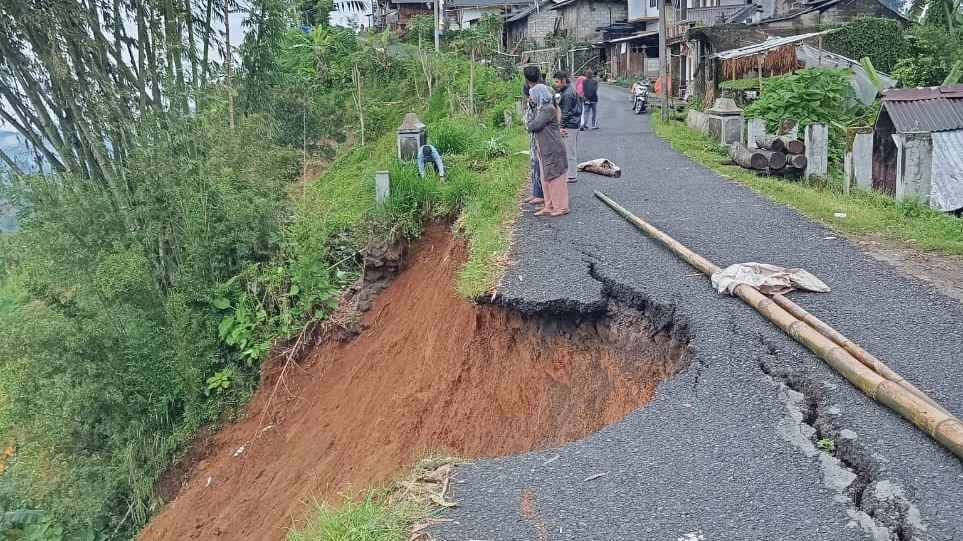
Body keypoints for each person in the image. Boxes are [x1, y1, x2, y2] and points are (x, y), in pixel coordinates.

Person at [524, 70, 569, 217]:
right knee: (546, 178)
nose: (531, 98)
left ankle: (561, 207)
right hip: (544, 148)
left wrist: (529, 117)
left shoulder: (548, 109)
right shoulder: (542, 108)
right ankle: (549, 205)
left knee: (556, 177)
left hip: (552, 147)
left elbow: (533, 126)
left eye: (532, 96)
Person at [553, 71, 580, 183]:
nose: (555, 84)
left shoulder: (568, 93)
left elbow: (566, 112)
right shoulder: (567, 89)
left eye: (557, 82)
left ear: (564, 80)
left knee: (569, 150)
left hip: (570, 125)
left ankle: (572, 175)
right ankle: (568, 173)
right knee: (567, 149)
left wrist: (561, 126)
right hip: (572, 123)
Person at [523, 67, 544, 206]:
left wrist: (529, 125)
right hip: (533, 134)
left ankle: (541, 194)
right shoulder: (534, 90)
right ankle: (536, 192)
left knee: (538, 163)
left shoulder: (539, 93)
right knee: (533, 163)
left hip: (540, 134)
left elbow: (540, 116)